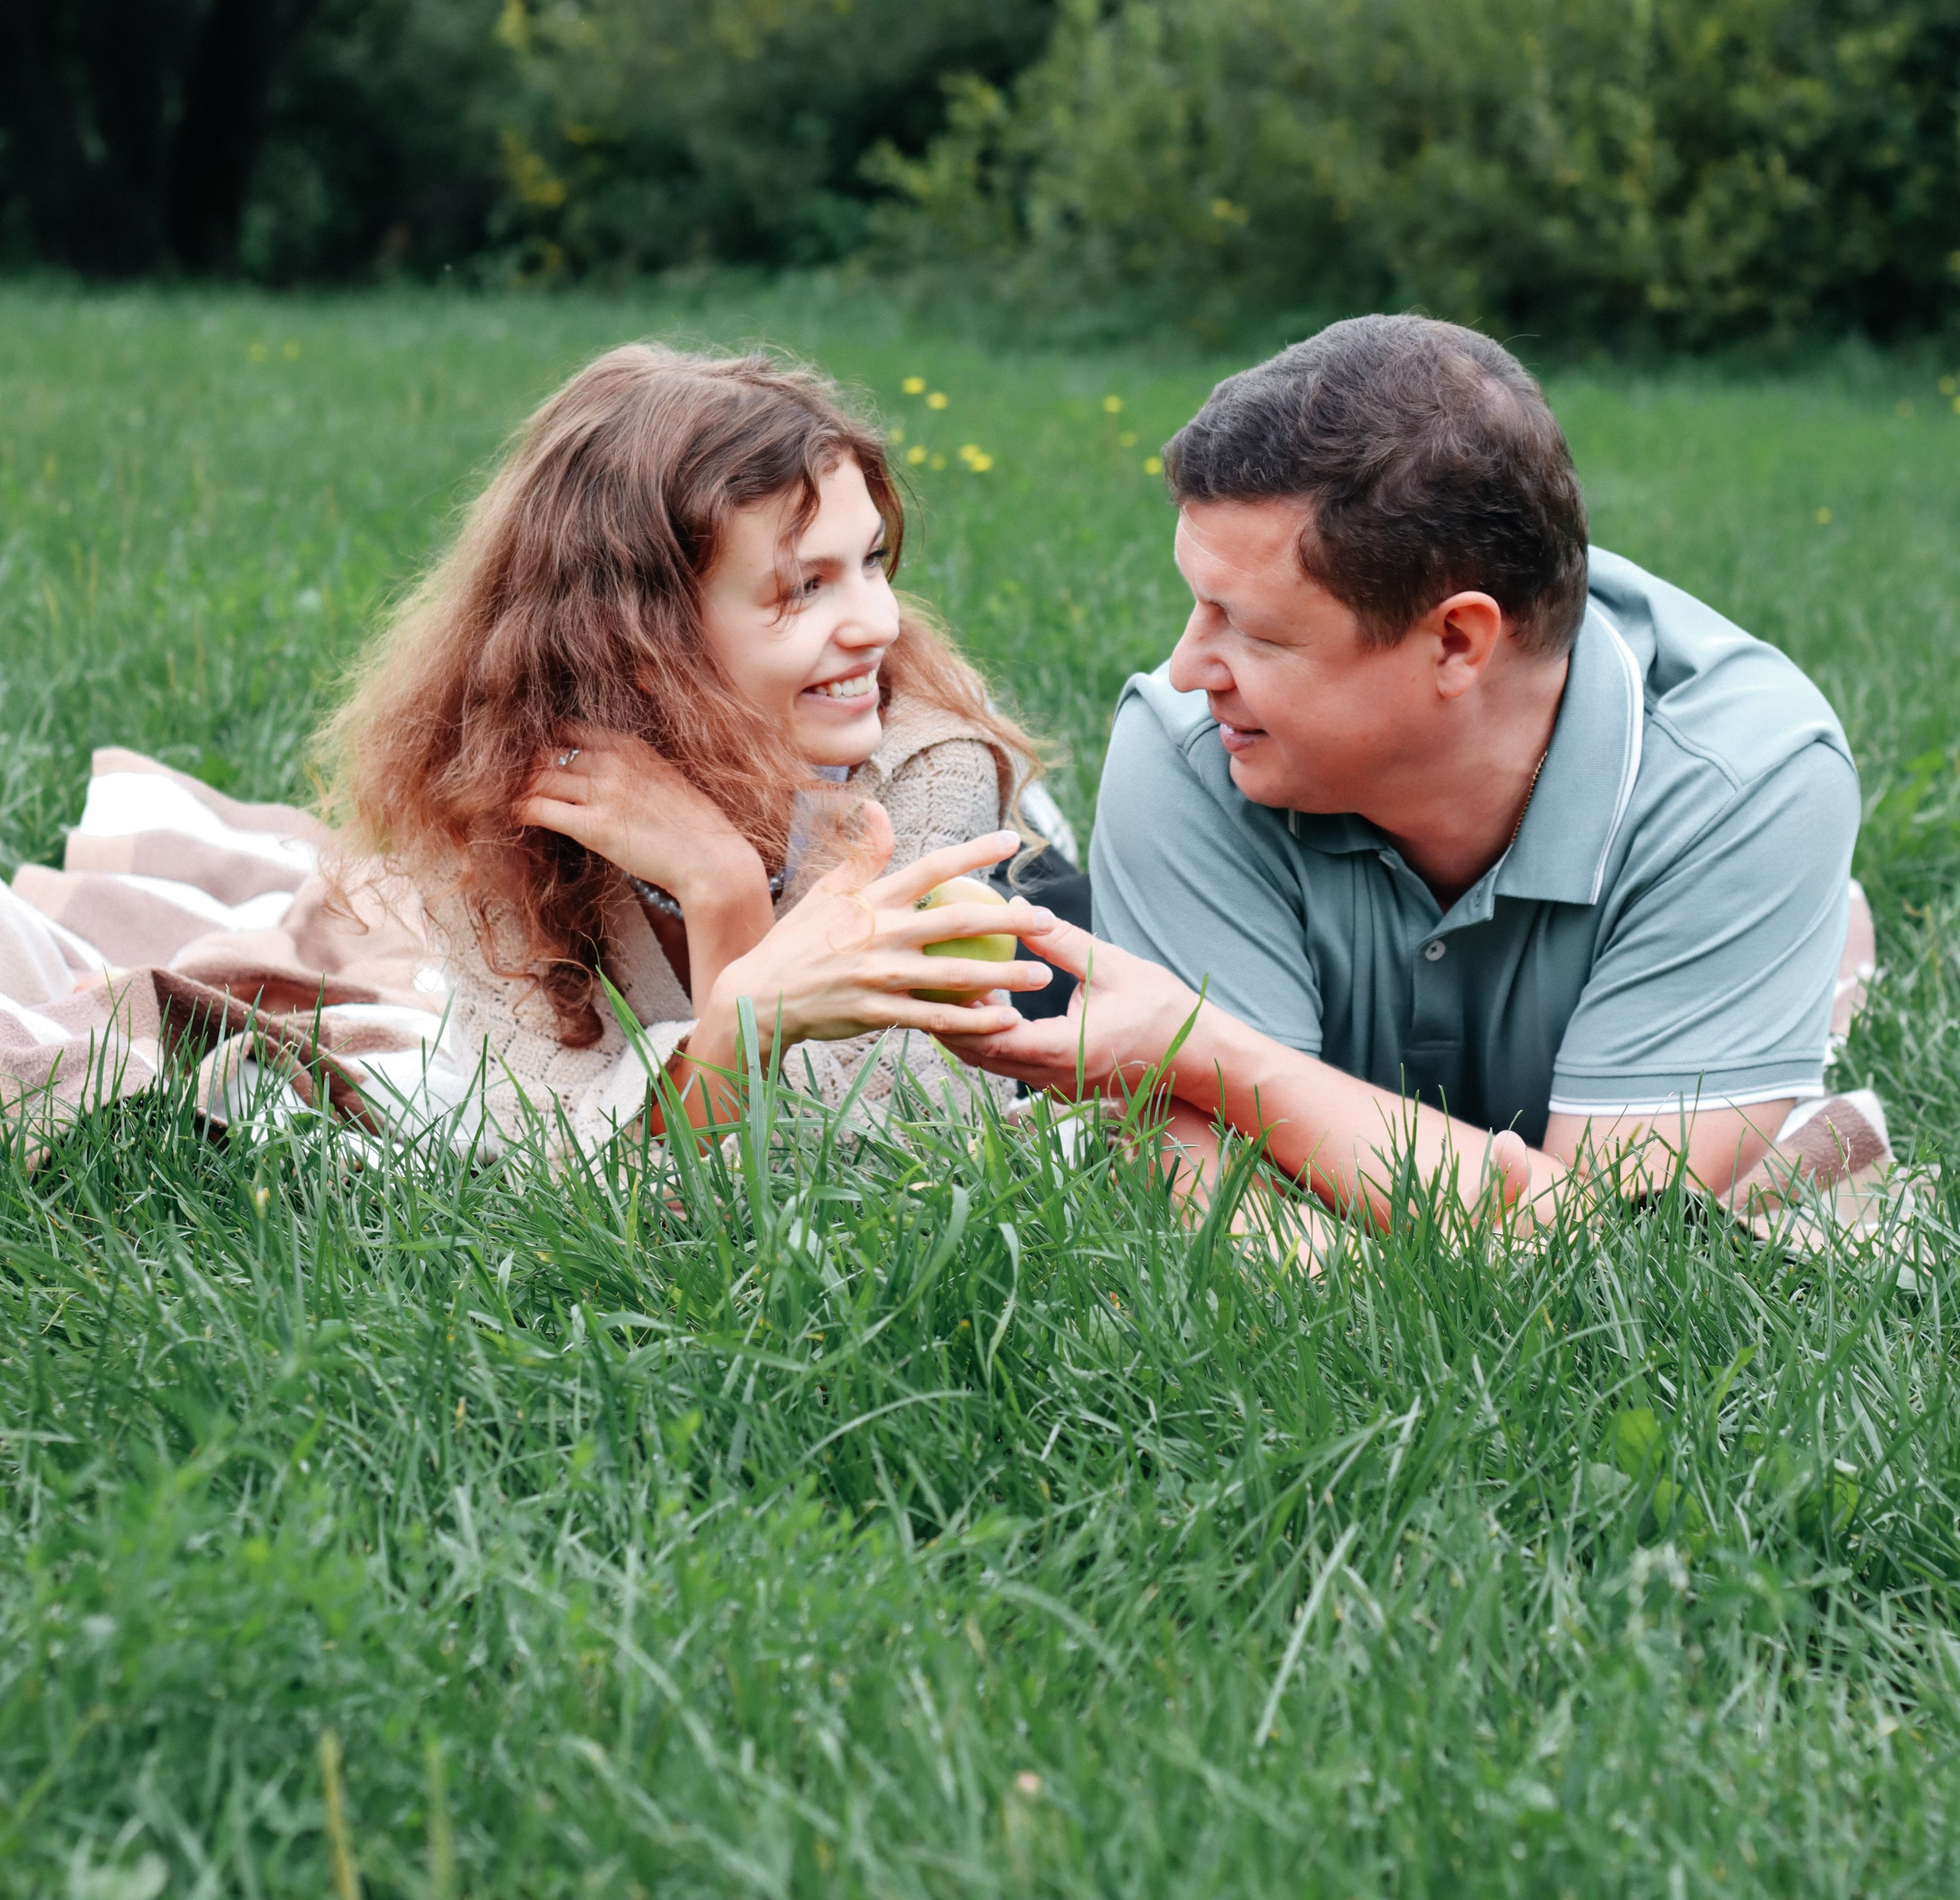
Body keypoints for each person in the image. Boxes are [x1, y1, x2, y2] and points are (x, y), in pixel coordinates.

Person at [962, 316, 1878, 1233]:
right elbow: (1223, 1221)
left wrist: (1208, 1053)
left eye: (1253, 630)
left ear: (1454, 641)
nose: (1185, 668)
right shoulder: (1186, 745)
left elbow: (1610, 1253)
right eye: (1197, 606)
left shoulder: (1745, 786)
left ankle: (1805, 963)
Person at [329, 342, 1061, 1157]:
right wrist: (727, 909)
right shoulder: (500, 792)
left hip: (1018, 884)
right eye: (804, 587)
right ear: (639, 639)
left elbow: (889, 1148)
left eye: (871, 563)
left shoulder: (929, 773)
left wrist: (725, 901)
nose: (879, 624)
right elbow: (543, 1145)